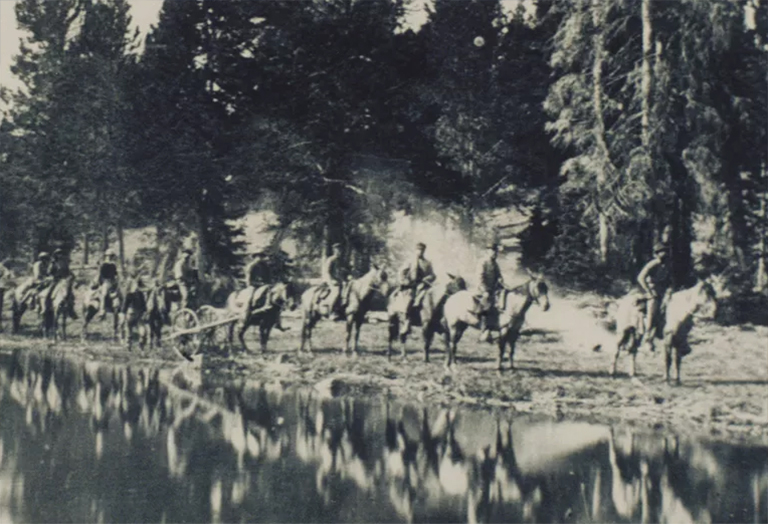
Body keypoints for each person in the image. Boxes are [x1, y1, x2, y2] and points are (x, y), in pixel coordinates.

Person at [637, 241, 671, 351]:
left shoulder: (666, 265)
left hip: (662, 292)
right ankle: (647, 340)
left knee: (662, 315)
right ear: (656, 253)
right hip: (652, 291)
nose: (664, 254)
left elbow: (668, 280)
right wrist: (649, 292)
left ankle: (658, 337)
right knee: (651, 316)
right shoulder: (653, 264)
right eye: (661, 252)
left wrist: (669, 290)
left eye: (665, 251)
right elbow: (640, 277)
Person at [399, 242, 436, 332]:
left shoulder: (427, 263)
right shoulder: (410, 261)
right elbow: (402, 272)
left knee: (431, 299)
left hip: (423, 286)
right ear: (415, 250)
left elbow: (433, 275)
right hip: (411, 286)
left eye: (422, 250)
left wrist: (427, 279)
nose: (420, 252)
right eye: (418, 250)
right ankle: (407, 322)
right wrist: (405, 281)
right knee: (409, 300)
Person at [475, 241, 505, 343]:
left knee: (503, 300)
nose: (494, 253)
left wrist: (501, 282)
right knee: (486, 304)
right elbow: (479, 278)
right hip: (482, 289)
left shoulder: (495, 263)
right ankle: (484, 331)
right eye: (492, 251)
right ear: (487, 251)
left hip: (493, 290)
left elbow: (499, 276)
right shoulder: (483, 262)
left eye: (495, 252)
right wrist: (484, 290)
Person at [321, 243, 346, 320]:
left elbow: (346, 271)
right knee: (336, 292)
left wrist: (348, 276)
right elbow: (327, 272)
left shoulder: (342, 261)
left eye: (340, 250)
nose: (339, 252)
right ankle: (331, 312)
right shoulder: (331, 260)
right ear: (334, 250)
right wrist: (332, 281)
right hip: (331, 281)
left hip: (341, 281)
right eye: (337, 250)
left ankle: (343, 311)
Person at [50, 248, 77, 319]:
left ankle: (71, 310)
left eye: (61, 254)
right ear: (56, 255)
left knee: (70, 294)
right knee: (49, 292)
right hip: (56, 280)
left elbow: (68, 271)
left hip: (64, 280)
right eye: (58, 254)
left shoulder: (65, 263)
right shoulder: (53, 263)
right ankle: (47, 306)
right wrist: (55, 276)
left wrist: (72, 276)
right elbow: (50, 272)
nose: (60, 255)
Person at [94, 248, 120, 320]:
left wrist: (117, 279)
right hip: (105, 281)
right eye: (108, 256)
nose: (109, 257)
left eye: (111, 256)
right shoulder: (104, 265)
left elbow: (115, 274)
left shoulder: (113, 265)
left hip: (112, 281)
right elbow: (101, 275)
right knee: (104, 294)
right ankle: (102, 310)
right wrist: (102, 281)